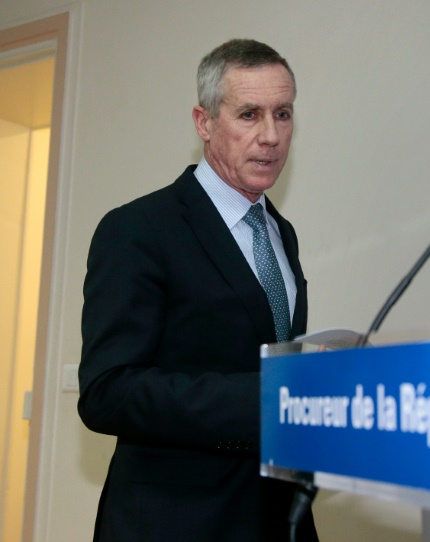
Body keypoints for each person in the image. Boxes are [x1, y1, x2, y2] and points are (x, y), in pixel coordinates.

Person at [78, 39, 318, 541]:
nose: (271, 136)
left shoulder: (281, 232)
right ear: (205, 122)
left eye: (283, 113)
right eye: (249, 115)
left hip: (276, 515)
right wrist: (266, 397)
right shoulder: (139, 229)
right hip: (175, 519)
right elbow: (107, 392)